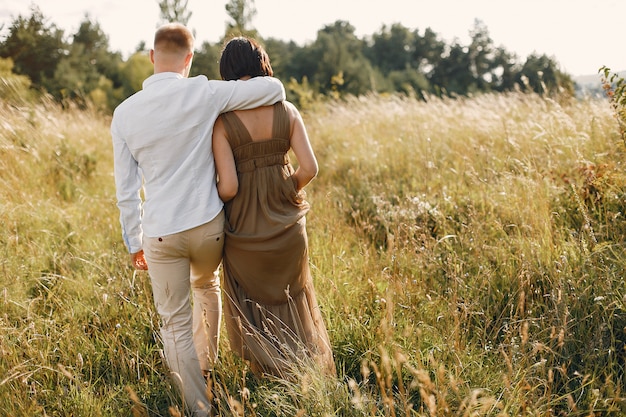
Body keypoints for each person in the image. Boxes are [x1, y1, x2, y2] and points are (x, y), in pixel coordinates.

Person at [111, 24, 285, 416]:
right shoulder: (203, 92)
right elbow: (274, 90)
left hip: (159, 235)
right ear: (189, 59)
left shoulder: (124, 113)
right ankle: (208, 366)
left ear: (153, 57)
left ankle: (198, 406)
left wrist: (133, 241)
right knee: (206, 286)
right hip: (208, 229)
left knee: (173, 323)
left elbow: (126, 190)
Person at [212, 37, 335, 379]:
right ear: (262, 64)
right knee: (294, 296)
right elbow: (309, 168)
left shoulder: (222, 122)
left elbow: (230, 186)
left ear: (228, 73)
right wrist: (283, 188)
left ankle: (270, 377)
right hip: (287, 224)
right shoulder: (288, 110)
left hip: (244, 228)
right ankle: (305, 376)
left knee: (252, 302)